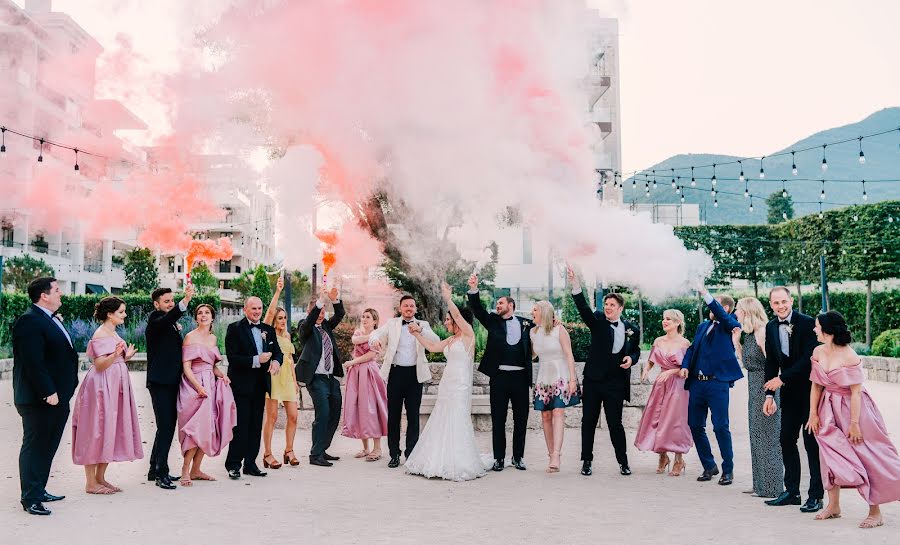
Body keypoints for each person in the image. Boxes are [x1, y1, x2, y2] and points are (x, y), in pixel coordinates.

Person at [807, 311, 900, 529]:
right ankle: (833, 506)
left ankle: (875, 511)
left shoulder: (850, 355)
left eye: (817, 326)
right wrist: (813, 413)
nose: (814, 329)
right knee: (828, 455)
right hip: (827, 409)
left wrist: (855, 424)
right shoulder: (818, 351)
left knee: (866, 455)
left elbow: (856, 393)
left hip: (854, 410)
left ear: (828, 330)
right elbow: (816, 385)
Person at [404, 282, 493, 481]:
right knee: (442, 417)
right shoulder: (451, 340)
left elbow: (459, 316)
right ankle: (438, 458)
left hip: (460, 386)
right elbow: (433, 347)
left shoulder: (468, 335)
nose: (445, 323)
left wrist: (447, 299)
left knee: (457, 419)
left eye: (447, 319)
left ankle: (458, 461)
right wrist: (416, 334)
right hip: (447, 385)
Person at [13, 277, 79, 515]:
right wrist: (48, 392)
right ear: (44, 295)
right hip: (39, 399)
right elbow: (32, 362)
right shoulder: (29, 320)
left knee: (49, 445)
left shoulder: (49, 319)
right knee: (35, 446)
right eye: (57, 290)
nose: (61, 294)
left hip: (59, 397)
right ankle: (30, 498)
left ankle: (39, 489)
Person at [567, 268, 641, 477]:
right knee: (588, 421)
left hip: (616, 383)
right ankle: (587, 461)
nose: (608, 308)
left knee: (615, 424)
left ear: (620, 308)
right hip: (593, 381)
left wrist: (631, 359)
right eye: (606, 304)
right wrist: (575, 284)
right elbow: (583, 307)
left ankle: (623, 462)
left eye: (612, 305)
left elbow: (635, 351)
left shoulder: (632, 329)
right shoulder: (597, 321)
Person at [71, 297, 144, 494]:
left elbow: (113, 359)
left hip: (114, 385)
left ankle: (100, 477)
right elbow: (100, 364)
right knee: (95, 428)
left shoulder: (112, 332)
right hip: (102, 387)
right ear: (110, 314)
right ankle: (90, 482)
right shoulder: (100, 334)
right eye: (121, 312)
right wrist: (116, 355)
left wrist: (124, 356)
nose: (125, 315)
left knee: (109, 428)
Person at [762, 287, 823, 512]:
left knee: (811, 443)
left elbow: (809, 359)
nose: (781, 306)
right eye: (776, 303)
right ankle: (792, 492)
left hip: (811, 392)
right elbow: (771, 362)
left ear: (791, 300)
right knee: (786, 439)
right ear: (771, 304)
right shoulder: (770, 327)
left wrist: (782, 379)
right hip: (787, 394)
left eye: (784, 302)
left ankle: (816, 496)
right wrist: (769, 394)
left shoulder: (807, 323)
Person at [466, 274, 534, 472]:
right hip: (499, 377)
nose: (498, 305)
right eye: (497, 303)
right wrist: (473, 289)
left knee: (521, 419)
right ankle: (499, 459)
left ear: (510, 305)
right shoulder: (493, 321)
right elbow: (477, 309)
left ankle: (518, 457)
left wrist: (553, 324)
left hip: (521, 378)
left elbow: (543, 329)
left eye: (501, 302)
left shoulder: (526, 323)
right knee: (498, 419)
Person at [678, 284, 743, 485]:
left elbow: (720, 314)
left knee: (720, 427)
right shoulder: (702, 326)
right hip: (697, 383)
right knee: (695, 425)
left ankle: (728, 470)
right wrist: (685, 366)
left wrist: (705, 293)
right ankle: (709, 465)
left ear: (726, 309)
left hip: (717, 384)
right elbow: (692, 350)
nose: (710, 311)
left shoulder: (730, 324)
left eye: (716, 307)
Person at [369, 294, 440, 469]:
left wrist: (420, 330)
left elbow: (436, 341)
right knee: (393, 416)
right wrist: (375, 339)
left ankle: (411, 454)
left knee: (413, 416)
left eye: (411, 306)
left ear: (415, 309)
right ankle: (394, 454)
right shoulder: (392, 323)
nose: (409, 308)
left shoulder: (423, 325)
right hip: (395, 373)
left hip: (415, 375)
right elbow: (376, 333)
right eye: (405, 306)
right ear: (400, 308)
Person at [224, 296, 283, 480]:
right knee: (240, 426)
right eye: (253, 308)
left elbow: (278, 353)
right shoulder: (234, 329)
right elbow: (232, 358)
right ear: (245, 309)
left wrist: (276, 362)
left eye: (259, 308)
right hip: (241, 385)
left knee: (256, 425)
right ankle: (233, 464)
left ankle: (250, 464)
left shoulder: (268, 329)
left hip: (260, 385)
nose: (257, 311)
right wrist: (256, 360)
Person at [177, 304, 237, 486]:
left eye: (207, 313)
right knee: (195, 429)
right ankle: (185, 470)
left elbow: (211, 366)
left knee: (209, 427)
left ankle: (196, 469)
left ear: (212, 317)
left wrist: (223, 375)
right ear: (196, 318)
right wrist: (198, 387)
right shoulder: (190, 337)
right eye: (200, 313)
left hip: (210, 384)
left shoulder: (213, 338)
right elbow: (186, 366)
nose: (203, 315)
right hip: (193, 386)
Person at [145, 284, 194, 490]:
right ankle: (161, 473)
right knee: (166, 427)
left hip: (172, 380)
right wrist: (185, 302)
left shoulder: (169, 323)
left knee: (165, 427)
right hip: (160, 382)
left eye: (173, 301)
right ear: (156, 304)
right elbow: (167, 320)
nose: (171, 304)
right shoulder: (155, 320)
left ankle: (153, 468)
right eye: (167, 301)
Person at [733, 297, 783, 498]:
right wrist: (736, 343)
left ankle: (772, 487)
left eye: (738, 310)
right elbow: (746, 362)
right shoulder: (749, 334)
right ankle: (759, 484)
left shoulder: (762, 332)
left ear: (747, 311)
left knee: (769, 437)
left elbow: (774, 363)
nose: (735, 313)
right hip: (753, 389)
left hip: (766, 389)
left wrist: (770, 395)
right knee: (756, 436)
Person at [634, 309, 692, 477]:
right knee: (657, 418)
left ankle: (679, 459)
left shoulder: (685, 343)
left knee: (675, 422)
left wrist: (671, 372)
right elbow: (652, 360)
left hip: (678, 386)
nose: (664, 321)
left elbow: (687, 368)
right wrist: (646, 369)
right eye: (663, 319)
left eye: (668, 319)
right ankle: (663, 456)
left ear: (677, 323)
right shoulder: (658, 341)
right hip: (660, 385)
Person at [296, 286, 345, 467]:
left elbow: (339, 315)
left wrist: (334, 299)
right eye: (318, 311)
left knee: (334, 413)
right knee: (322, 414)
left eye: (324, 311)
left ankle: (322, 449)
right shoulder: (305, 327)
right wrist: (319, 301)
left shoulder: (326, 326)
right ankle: (315, 455)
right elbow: (308, 323)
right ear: (310, 311)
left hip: (330, 378)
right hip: (315, 378)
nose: (321, 314)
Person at [530, 300, 580, 473]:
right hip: (543, 376)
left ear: (544, 312)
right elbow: (530, 355)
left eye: (535, 310)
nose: (532, 313)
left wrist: (573, 379)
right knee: (545, 415)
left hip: (561, 375)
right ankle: (550, 453)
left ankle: (557, 455)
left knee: (558, 412)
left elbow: (569, 355)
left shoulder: (560, 330)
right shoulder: (533, 332)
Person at [261, 275, 301, 469]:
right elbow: (269, 312)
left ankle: (289, 450)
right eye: (280, 318)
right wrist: (278, 291)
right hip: (273, 378)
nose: (283, 321)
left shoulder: (287, 336)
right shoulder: (268, 333)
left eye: (285, 318)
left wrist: (294, 381)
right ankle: (267, 453)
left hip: (287, 379)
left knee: (293, 416)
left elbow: (290, 360)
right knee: (272, 417)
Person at [341, 307, 388, 462]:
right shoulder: (361, 333)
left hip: (369, 373)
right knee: (360, 407)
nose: (364, 319)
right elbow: (355, 341)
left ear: (375, 320)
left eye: (368, 317)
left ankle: (377, 448)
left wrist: (352, 362)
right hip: (356, 375)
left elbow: (371, 354)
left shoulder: (377, 335)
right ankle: (366, 448)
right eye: (363, 316)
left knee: (372, 408)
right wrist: (371, 337)